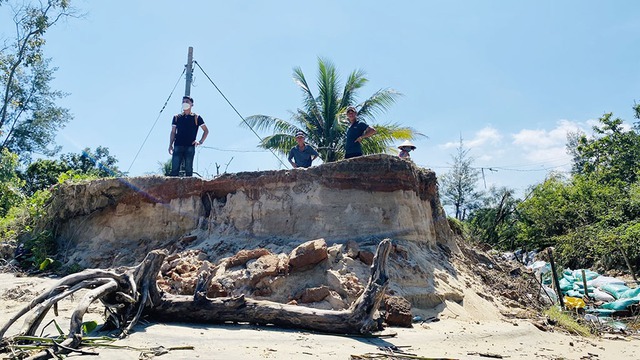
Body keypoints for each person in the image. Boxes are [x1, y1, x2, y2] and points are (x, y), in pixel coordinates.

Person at [168, 96, 209, 176]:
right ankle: (173, 187)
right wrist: (170, 145)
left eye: (187, 101)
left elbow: (206, 130)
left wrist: (200, 142)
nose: (185, 103)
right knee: (174, 169)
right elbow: (173, 132)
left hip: (190, 146)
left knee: (189, 169)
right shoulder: (177, 117)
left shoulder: (196, 117)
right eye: (183, 101)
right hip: (178, 145)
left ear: (192, 104)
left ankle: (189, 188)